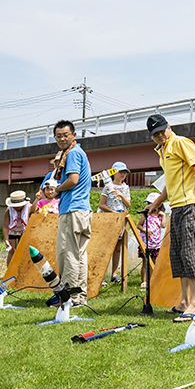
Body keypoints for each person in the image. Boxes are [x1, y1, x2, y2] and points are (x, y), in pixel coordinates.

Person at [145, 114, 195, 322]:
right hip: (175, 207)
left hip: (189, 204)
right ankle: (184, 301)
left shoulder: (180, 142)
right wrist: (156, 203)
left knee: (189, 253)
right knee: (178, 254)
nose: (159, 136)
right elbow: (170, 183)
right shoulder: (163, 151)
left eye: (161, 131)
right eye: (155, 135)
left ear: (169, 127)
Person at [51, 120, 92, 307]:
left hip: (72, 209)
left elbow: (73, 180)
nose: (62, 138)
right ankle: (79, 297)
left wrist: (58, 190)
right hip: (83, 210)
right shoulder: (79, 152)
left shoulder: (73, 153)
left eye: (65, 135)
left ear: (73, 135)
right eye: (58, 136)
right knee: (79, 255)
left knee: (68, 255)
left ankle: (69, 298)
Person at [98, 161, 131, 283]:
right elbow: (101, 205)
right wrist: (113, 213)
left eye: (125, 173)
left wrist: (121, 195)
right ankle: (100, 276)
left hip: (121, 220)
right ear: (114, 173)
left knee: (118, 247)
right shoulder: (107, 186)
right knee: (105, 248)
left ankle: (114, 274)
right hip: (108, 220)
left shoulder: (125, 187)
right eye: (121, 172)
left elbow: (128, 204)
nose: (123, 175)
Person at [138, 192, 167, 289]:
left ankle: (152, 280)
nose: (148, 206)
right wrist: (145, 231)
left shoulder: (159, 216)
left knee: (153, 262)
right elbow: (139, 225)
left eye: (150, 203)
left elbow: (163, 225)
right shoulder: (145, 215)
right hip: (146, 243)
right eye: (147, 203)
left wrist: (164, 215)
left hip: (155, 243)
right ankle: (144, 281)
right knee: (145, 262)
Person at [3, 191, 30, 267]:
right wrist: (6, 240)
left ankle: (23, 268)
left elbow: (35, 209)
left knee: (23, 249)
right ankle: (10, 270)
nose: (17, 207)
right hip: (13, 231)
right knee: (12, 250)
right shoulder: (8, 211)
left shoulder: (29, 208)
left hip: (24, 230)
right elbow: (5, 227)